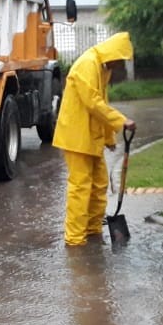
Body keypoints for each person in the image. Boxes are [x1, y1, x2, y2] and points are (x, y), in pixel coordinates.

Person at [52, 32, 137, 247]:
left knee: (99, 183)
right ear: (113, 54)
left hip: (91, 137)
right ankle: (75, 238)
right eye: (120, 60)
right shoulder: (87, 65)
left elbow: (102, 101)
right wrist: (120, 121)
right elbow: (93, 102)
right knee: (81, 186)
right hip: (76, 137)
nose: (119, 66)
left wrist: (109, 136)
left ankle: (92, 228)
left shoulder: (102, 68)